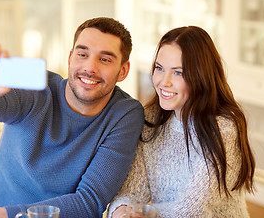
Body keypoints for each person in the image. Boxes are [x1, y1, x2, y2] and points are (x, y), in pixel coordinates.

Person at [0, 17, 144, 218]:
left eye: (105, 59)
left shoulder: (125, 113)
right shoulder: (34, 83)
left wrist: (6, 214)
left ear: (123, 70)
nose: (90, 67)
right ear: (70, 58)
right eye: (82, 54)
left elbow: (89, 202)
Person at [107, 26, 256, 217]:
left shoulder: (223, 128)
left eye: (178, 72)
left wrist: (142, 213)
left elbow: (192, 210)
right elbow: (131, 192)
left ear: (201, 76)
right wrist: (121, 211)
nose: (163, 81)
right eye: (159, 68)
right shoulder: (151, 120)